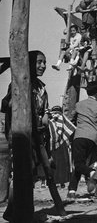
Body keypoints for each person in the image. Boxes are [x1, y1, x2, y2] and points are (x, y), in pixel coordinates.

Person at [1, 51, 51, 221]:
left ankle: (14, 210)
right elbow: (6, 104)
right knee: (21, 172)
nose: (43, 66)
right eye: (39, 62)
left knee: (30, 174)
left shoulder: (41, 87)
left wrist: (45, 117)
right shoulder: (20, 83)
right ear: (29, 63)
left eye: (44, 62)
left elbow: (44, 111)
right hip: (20, 135)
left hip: (37, 136)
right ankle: (15, 210)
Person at [67, 80, 97, 199]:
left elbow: (70, 118)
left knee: (78, 164)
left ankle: (90, 175)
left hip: (79, 136)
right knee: (83, 164)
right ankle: (72, 191)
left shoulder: (79, 105)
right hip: (93, 139)